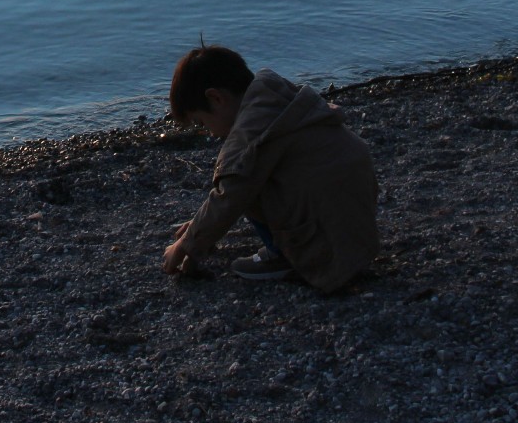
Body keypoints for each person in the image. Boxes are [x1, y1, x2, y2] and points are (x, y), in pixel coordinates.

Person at [160, 44, 378, 291]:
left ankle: (281, 256)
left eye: (202, 121)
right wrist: (200, 225)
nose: (209, 133)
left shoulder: (252, 133)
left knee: (245, 177)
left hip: (327, 252)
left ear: (216, 98)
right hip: (358, 233)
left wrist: (186, 245)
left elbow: (229, 195)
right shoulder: (276, 99)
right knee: (251, 174)